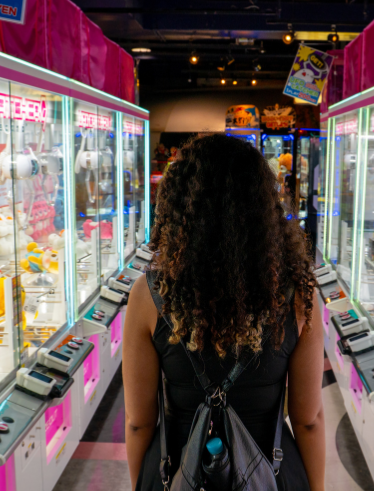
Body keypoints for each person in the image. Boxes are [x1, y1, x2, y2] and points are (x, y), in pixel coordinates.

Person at [123, 134, 325, 490]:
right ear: (263, 207)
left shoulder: (149, 295)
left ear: (177, 205)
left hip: (178, 468)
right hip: (270, 473)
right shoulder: (297, 296)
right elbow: (308, 420)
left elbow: (138, 421)